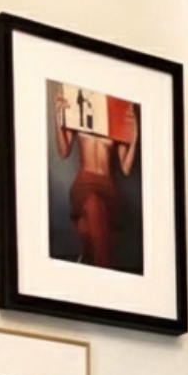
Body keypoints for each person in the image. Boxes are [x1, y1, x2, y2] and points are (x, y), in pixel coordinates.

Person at [53, 90, 138, 269]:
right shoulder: (79, 107)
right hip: (83, 184)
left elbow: (126, 168)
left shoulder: (116, 112)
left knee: (93, 218)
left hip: (108, 187)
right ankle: (105, 267)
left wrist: (135, 135)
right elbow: (63, 151)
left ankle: (90, 261)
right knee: (93, 203)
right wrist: (58, 116)